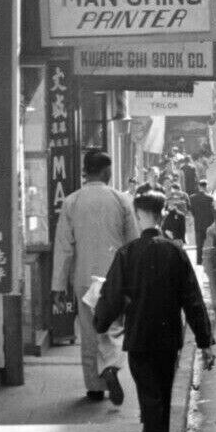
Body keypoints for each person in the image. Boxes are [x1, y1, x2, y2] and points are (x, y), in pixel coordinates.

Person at [94, 190, 215, 432]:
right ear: (161, 215)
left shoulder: (127, 253)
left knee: (150, 400)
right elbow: (193, 299)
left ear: (138, 216)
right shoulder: (175, 252)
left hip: (139, 339)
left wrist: (100, 322)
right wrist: (205, 341)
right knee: (159, 396)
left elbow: (110, 297)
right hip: (168, 339)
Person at [52, 150, 138, 404]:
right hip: (115, 277)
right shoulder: (121, 200)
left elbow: (64, 246)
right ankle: (111, 364)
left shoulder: (72, 202)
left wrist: (58, 285)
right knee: (114, 327)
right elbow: (132, 242)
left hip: (84, 277)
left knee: (89, 331)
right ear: (105, 171)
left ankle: (94, 387)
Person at [189, 180, 215, 265]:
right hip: (208, 225)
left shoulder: (192, 198)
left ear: (199, 186)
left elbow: (191, 211)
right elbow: (213, 212)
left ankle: (199, 262)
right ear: (206, 186)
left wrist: (196, 217)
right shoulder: (210, 198)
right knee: (208, 245)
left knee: (199, 245)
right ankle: (209, 262)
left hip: (198, 224)